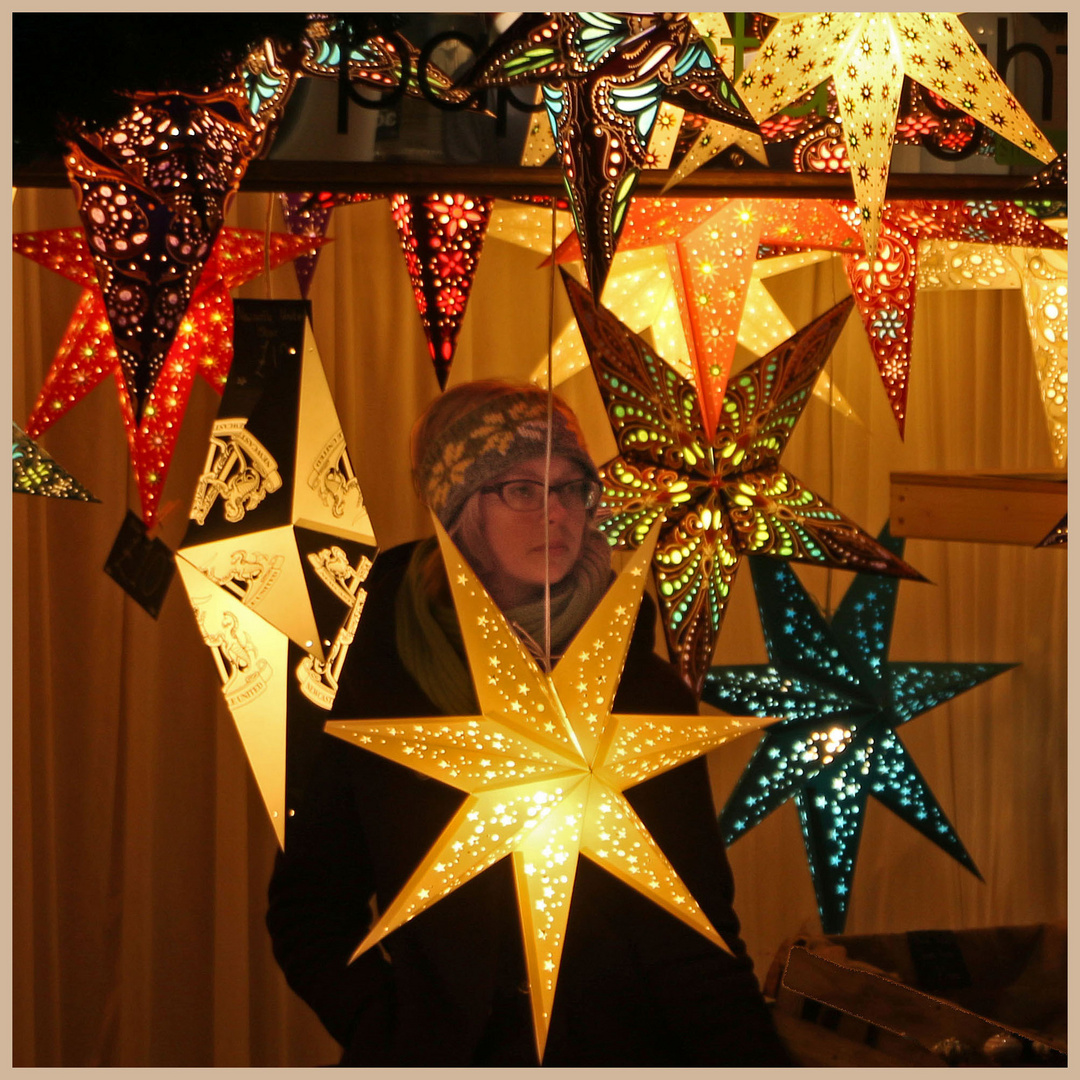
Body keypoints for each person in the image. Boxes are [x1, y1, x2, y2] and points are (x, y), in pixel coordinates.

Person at [266, 380, 791, 1066]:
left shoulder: (640, 694)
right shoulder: (382, 681)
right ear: (456, 509)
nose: (555, 515)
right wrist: (393, 1032)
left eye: (571, 487)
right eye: (520, 489)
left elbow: (696, 946)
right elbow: (309, 911)